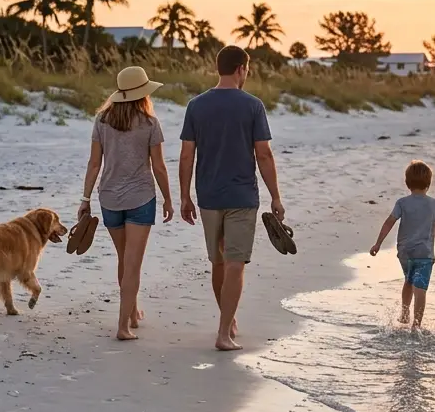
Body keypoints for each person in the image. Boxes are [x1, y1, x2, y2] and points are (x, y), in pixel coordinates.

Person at [179, 45, 284, 351]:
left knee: (219, 262)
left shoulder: (196, 105)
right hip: (242, 196)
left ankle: (227, 321)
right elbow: (263, 154)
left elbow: (187, 156)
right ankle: (224, 332)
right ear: (241, 69)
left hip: (208, 196)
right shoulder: (253, 106)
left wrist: (185, 196)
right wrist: (275, 196)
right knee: (236, 263)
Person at [78, 66, 174, 341]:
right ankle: (123, 326)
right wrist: (168, 198)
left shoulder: (102, 120)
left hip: (109, 198)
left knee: (124, 258)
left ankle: (131, 312)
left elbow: (94, 163)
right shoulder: (149, 123)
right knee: (132, 263)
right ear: (143, 93)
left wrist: (85, 199)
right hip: (141, 198)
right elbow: (159, 166)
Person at [369, 160, 435, 329]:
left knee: (409, 280)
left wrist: (378, 244)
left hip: (405, 252)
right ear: (428, 183)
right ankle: (416, 325)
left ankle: (405, 313)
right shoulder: (434, 204)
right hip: (424, 253)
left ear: (407, 183)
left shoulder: (402, 203)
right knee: (420, 287)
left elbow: (389, 222)